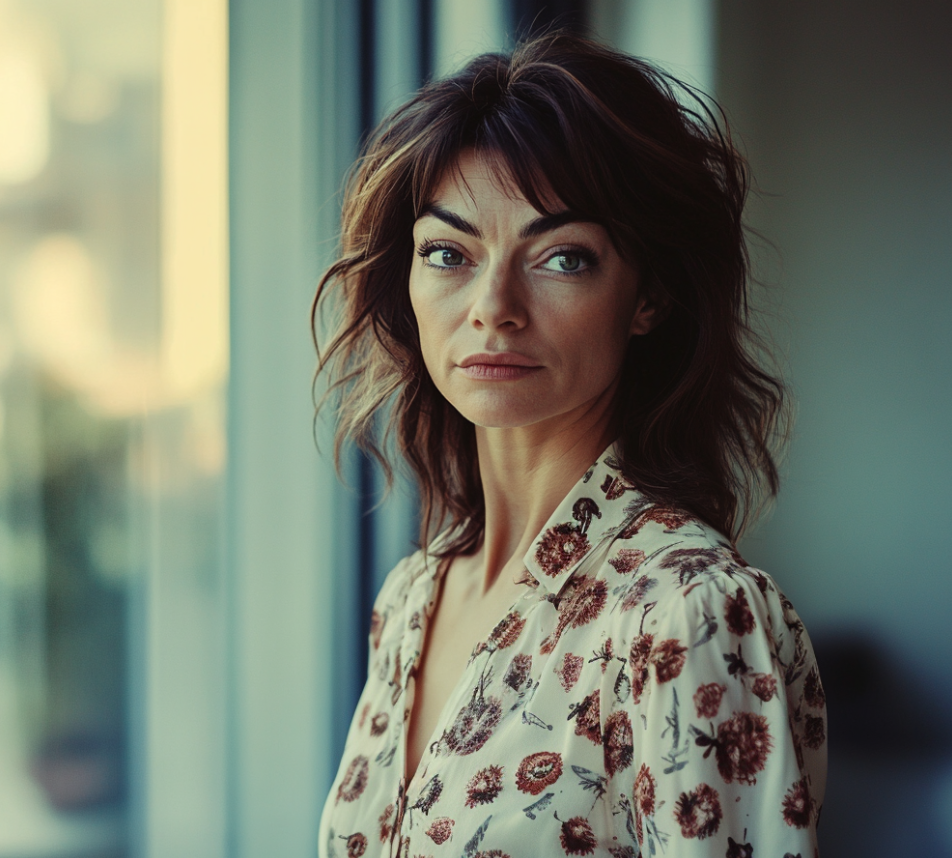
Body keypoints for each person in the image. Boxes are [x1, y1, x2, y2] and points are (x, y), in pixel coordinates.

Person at [313, 32, 826, 858]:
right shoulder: (410, 601)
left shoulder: (689, 615)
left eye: (562, 258)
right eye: (448, 253)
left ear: (649, 295)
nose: (492, 306)